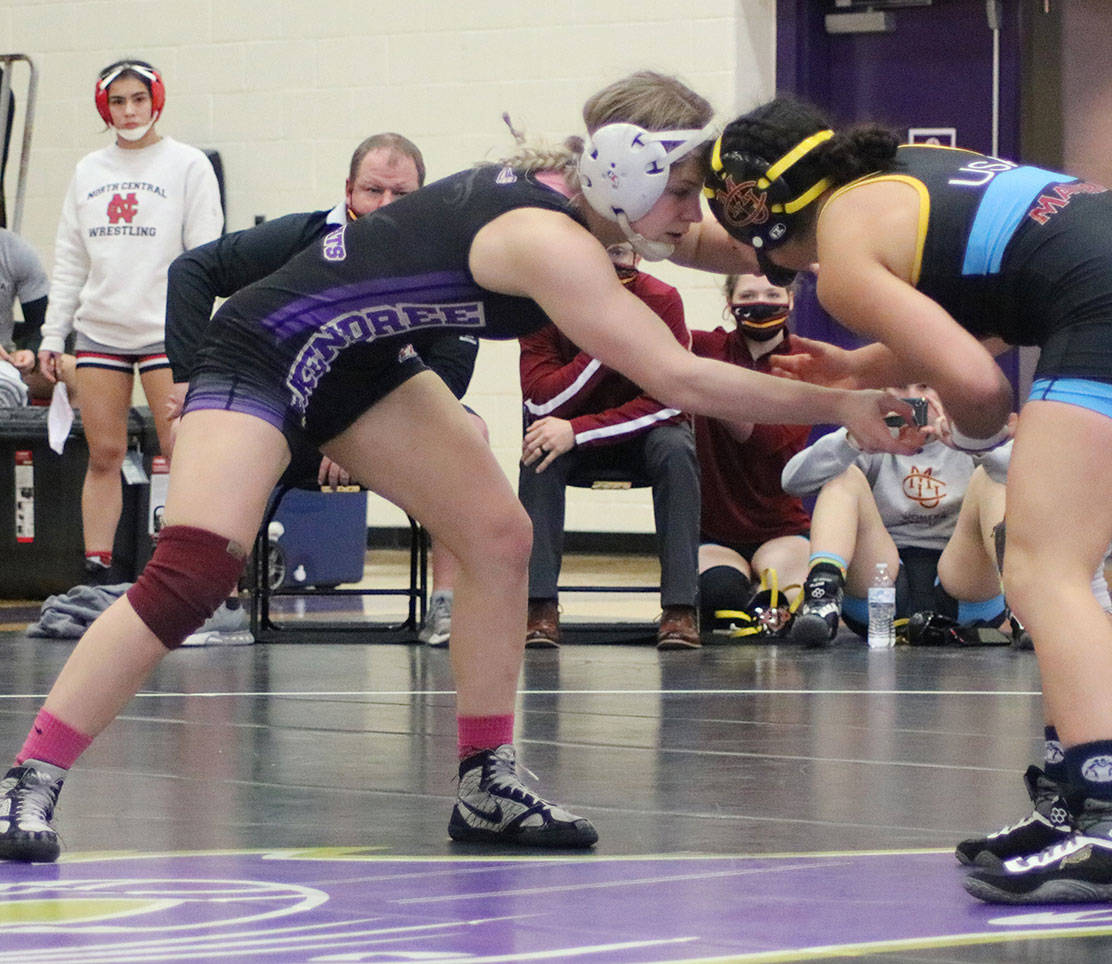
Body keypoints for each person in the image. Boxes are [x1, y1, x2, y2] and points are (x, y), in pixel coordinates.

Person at [0, 72, 923, 863]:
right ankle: (27, 777)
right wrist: (842, 403)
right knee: (192, 576)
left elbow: (741, 243)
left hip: (357, 366)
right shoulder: (548, 239)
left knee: (496, 534)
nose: (692, 219)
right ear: (627, 173)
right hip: (265, 352)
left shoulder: (589, 191)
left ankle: (486, 780)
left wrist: (870, 222)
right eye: (683, 194)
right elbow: (680, 375)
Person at [704, 97, 1112, 904]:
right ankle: (1072, 802)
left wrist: (977, 440)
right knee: (1070, 575)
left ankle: (1111, 828)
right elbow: (993, 308)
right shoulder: (900, 171)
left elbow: (979, 385)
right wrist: (855, 371)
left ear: (754, 218)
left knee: (1040, 570)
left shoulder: (843, 261)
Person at [165, 132, 488, 648]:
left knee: (471, 427)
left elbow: (451, 368)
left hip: (383, 422)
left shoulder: (445, 258)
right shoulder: (302, 239)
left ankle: (446, 606)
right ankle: (217, 601)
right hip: (287, 420)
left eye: (402, 195)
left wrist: (355, 423)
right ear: (348, 192)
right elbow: (192, 269)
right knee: (189, 430)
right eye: (373, 191)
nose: (386, 206)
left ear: (424, 196)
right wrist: (190, 379)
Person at [37, 59, 223, 585]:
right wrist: (54, 334)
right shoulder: (87, 171)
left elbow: (207, 256)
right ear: (104, 108)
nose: (129, 110)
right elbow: (70, 258)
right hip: (101, 331)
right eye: (117, 101)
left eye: (137, 98)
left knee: (182, 453)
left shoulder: (188, 166)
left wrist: (200, 332)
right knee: (105, 453)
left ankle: (190, 568)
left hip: (168, 333)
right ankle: (97, 571)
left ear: (155, 99)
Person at [519, 240, 701, 650]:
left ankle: (680, 608)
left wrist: (580, 429)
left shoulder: (662, 299)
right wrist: (607, 343)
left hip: (641, 436)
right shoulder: (540, 304)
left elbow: (671, 401)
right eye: (598, 253)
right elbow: (541, 401)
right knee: (538, 449)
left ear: (637, 256)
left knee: (677, 448)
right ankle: (538, 604)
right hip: (567, 438)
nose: (609, 264)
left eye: (618, 253)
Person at [781, 385, 1014, 648]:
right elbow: (791, 481)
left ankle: (1023, 603)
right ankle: (822, 596)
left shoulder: (970, 432)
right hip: (879, 588)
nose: (915, 399)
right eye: (901, 386)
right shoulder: (873, 436)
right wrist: (856, 439)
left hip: (964, 586)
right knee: (844, 475)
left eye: (926, 387)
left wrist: (973, 443)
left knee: (991, 478)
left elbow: (1031, 477)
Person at [690, 273, 811, 638]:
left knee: (776, 603)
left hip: (781, 530)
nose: (760, 302)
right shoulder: (705, 348)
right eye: (748, 294)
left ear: (790, 300)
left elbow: (760, 440)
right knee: (720, 600)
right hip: (713, 531)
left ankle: (763, 595)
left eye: (772, 293)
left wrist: (701, 385)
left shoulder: (805, 364)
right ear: (730, 304)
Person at [0, 226, 53, 401]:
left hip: (5, 359)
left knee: (73, 371)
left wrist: (31, 352)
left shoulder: (14, 250)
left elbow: (42, 322)